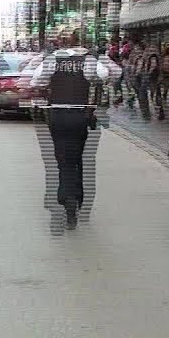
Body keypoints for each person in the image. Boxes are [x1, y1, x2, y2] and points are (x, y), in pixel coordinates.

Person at [31, 27, 110, 232]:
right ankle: (78, 196)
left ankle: (67, 197)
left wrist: (50, 84)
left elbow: (35, 80)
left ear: (61, 43)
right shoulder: (88, 60)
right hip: (79, 114)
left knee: (62, 158)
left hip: (57, 114)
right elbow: (104, 74)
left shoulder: (52, 60)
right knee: (77, 156)